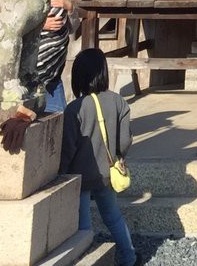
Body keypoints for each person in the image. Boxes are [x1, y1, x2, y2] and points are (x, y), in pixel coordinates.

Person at [60, 49, 137, 266]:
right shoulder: (119, 102)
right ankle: (129, 257)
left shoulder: (75, 109)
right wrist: (118, 156)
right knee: (113, 217)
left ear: (78, 76)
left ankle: (86, 259)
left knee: (83, 225)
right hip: (107, 174)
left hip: (80, 176)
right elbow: (124, 142)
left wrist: (61, 174)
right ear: (104, 72)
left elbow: (68, 148)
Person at [37, 0, 76, 113]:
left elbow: (72, 27)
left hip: (53, 75)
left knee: (59, 120)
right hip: (30, 74)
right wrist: (40, 24)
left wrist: (69, 7)